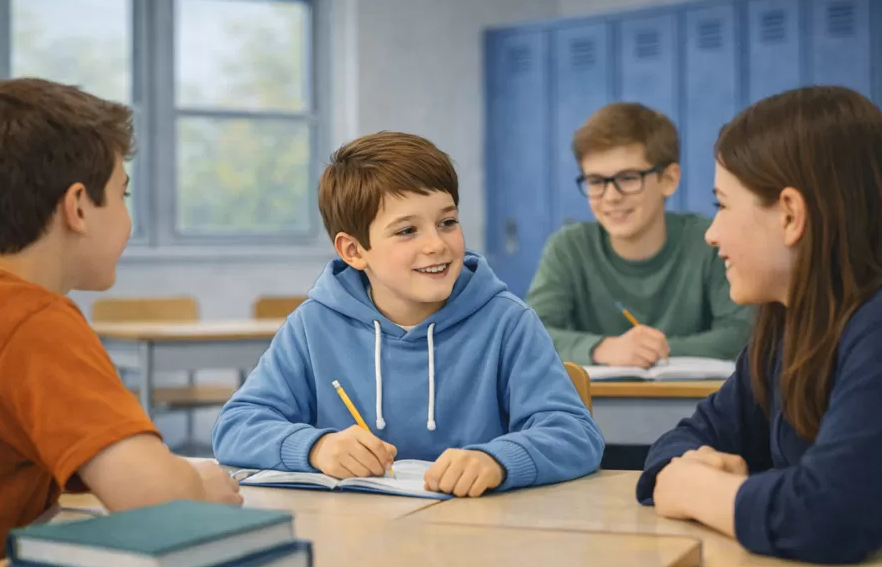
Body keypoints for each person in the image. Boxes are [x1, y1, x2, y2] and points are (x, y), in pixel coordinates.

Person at [637, 86, 882, 567]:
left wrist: (695, 489)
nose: (710, 234)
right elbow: (679, 443)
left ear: (792, 214)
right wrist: (686, 470)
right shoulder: (788, 323)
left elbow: (829, 520)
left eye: (723, 205)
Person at [0, 78, 242, 567]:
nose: (127, 216)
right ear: (79, 207)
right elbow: (161, 505)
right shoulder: (33, 320)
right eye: (122, 194)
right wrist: (199, 487)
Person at [213, 132, 603, 497]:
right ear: (353, 251)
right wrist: (315, 447)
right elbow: (236, 427)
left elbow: (574, 434)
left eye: (447, 222)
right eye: (406, 231)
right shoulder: (313, 326)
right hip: (355, 535)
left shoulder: (507, 323)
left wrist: (499, 460)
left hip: (477, 538)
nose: (436, 244)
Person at [527, 102, 753, 367]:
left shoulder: (711, 241)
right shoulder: (568, 247)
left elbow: (742, 334)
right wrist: (603, 348)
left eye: (628, 178)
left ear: (668, 180)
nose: (611, 197)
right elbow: (530, 334)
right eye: (597, 181)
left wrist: (649, 351)